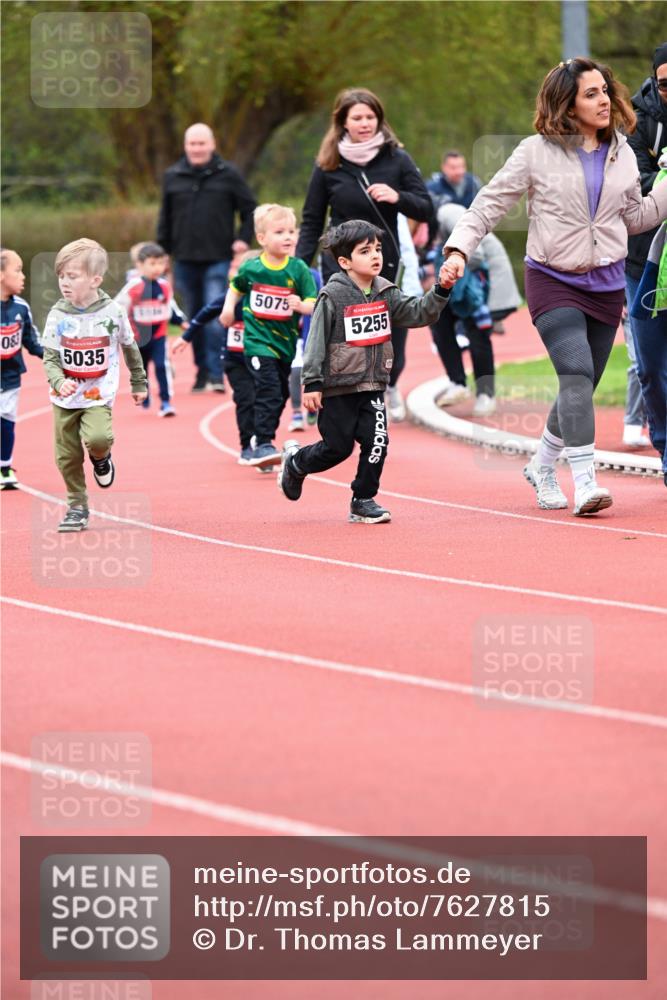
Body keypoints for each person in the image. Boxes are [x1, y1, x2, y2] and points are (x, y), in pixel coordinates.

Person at [443, 57, 667, 516]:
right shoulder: (535, 152)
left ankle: (542, 464)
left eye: (605, 90)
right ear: (566, 104)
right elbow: (488, 205)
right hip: (552, 279)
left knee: (577, 384)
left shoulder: (622, 152)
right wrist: (458, 249)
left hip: (605, 286)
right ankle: (585, 482)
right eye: (591, 93)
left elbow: (637, 218)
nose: (604, 99)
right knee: (576, 373)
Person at [277, 220, 455, 524]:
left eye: (378, 249)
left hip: (372, 385)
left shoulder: (386, 291)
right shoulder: (332, 296)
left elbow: (417, 312)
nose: (376, 256)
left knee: (378, 441)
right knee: (337, 448)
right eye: (365, 251)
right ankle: (296, 463)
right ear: (345, 262)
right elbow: (315, 341)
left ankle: (363, 498)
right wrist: (312, 383)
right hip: (337, 388)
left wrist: (441, 290)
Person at [296, 88, 434, 423]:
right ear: (342, 122)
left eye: (370, 117)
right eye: (357, 117)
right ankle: (328, 397)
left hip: (383, 263)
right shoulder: (328, 165)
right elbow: (312, 219)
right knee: (337, 337)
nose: (364, 123)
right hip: (339, 266)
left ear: (379, 119)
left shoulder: (396, 158)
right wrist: (297, 267)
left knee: (388, 335)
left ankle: (390, 384)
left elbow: (427, 207)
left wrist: (396, 197)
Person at [41, 239, 148, 532]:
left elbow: (129, 346)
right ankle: (77, 506)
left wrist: (138, 381)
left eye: (72, 276)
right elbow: (49, 357)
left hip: (97, 393)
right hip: (63, 398)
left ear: (95, 280)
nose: (64, 282)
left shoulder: (111, 312)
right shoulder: (57, 315)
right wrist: (58, 380)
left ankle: (101, 459)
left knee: (98, 439)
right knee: (67, 457)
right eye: (61, 276)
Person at [157, 122, 256, 393]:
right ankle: (201, 374)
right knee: (193, 317)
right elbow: (164, 217)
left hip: (218, 257)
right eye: (192, 144)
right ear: (185, 146)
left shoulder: (228, 174)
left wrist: (242, 239)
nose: (197, 149)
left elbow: (250, 209)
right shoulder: (173, 176)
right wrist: (162, 253)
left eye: (202, 143)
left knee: (214, 316)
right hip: (184, 258)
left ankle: (216, 373)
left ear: (212, 145)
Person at [219, 204, 318, 467]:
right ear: (262, 238)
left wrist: (301, 306)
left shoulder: (298, 269)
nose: (288, 237)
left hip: (284, 345)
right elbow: (235, 288)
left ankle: (261, 442)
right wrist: (229, 308)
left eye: (291, 231)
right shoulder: (251, 268)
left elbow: (314, 302)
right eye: (279, 232)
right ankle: (262, 442)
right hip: (257, 342)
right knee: (268, 389)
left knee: (282, 394)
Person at [173, 250, 261, 464]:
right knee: (245, 399)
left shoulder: (269, 298)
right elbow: (204, 314)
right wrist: (185, 337)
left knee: (267, 400)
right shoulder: (230, 299)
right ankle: (247, 446)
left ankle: (264, 440)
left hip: (264, 357)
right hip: (235, 359)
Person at [432, 204, 520, 415]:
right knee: (439, 322)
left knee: (477, 334)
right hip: (467, 286)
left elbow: (476, 254)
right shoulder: (434, 222)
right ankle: (458, 383)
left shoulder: (447, 212)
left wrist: (448, 268)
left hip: (485, 285)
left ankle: (485, 394)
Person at [624, 42, 667, 446]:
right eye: (666, 84)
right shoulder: (637, 124)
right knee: (650, 367)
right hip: (644, 263)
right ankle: (664, 442)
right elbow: (634, 185)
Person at [116, 242, 187, 417]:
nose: (157, 268)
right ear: (140, 265)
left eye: (161, 263)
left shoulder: (164, 286)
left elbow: (171, 307)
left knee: (162, 366)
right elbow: (118, 308)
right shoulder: (133, 287)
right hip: (138, 337)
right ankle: (144, 392)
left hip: (159, 336)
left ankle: (166, 402)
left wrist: (182, 322)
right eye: (152, 264)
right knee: (142, 368)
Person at [0, 248, 43, 489]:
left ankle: (4, 468)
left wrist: (50, 357)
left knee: (6, 421)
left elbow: (30, 339)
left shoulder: (21, 308)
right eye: (17, 270)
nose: (23, 276)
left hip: (10, 376)